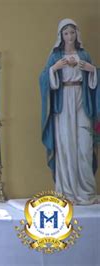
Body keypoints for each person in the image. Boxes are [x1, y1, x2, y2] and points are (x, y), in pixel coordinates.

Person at [40, 18, 98, 205]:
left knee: (84, 145)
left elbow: (94, 79)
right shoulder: (56, 57)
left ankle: (87, 191)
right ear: (61, 36)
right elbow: (43, 78)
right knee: (65, 145)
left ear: (77, 34)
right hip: (63, 103)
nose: (70, 36)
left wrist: (92, 70)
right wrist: (54, 69)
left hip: (82, 100)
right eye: (66, 33)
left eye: (72, 32)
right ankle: (66, 192)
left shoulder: (84, 54)